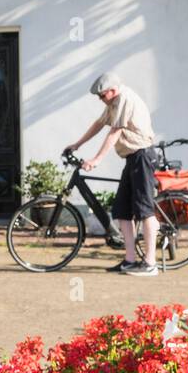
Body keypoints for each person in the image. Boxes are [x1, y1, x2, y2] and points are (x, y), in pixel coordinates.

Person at [64, 71, 158, 276]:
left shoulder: (124, 98)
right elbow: (99, 124)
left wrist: (96, 160)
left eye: (101, 95)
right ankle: (130, 260)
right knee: (122, 211)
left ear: (112, 91)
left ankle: (150, 263)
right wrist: (77, 144)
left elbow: (115, 132)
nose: (100, 100)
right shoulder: (113, 103)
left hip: (142, 156)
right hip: (132, 158)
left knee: (144, 209)